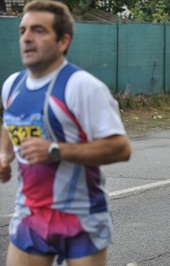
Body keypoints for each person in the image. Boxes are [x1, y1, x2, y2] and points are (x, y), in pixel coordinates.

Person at [0, 1, 131, 265]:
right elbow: (9, 125)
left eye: (38, 30)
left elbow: (120, 147)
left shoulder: (82, 86)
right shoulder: (12, 86)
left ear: (63, 42)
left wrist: (55, 150)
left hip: (81, 214)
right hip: (31, 214)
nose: (26, 38)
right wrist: (3, 155)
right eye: (23, 30)